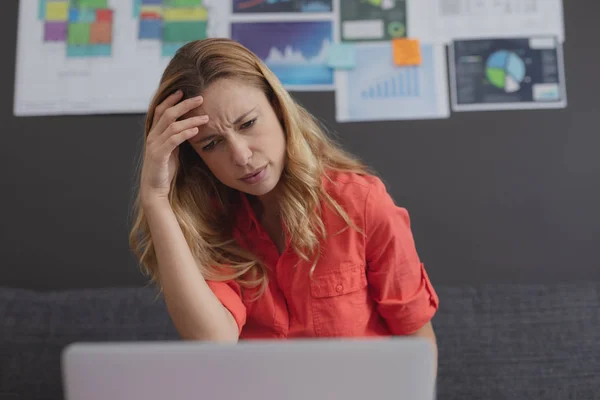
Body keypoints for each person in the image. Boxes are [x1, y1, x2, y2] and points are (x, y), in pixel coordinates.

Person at [128, 38, 439, 359]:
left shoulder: (361, 203)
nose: (241, 155)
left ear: (278, 108)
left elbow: (416, 339)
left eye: (247, 123)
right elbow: (212, 343)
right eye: (211, 144)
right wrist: (156, 198)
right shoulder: (212, 224)